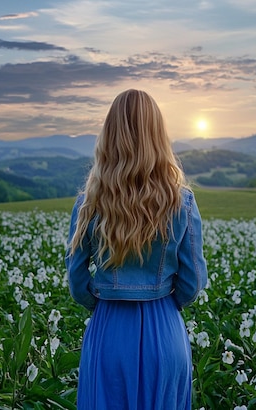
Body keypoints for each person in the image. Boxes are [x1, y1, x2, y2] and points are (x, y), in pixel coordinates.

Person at [65, 89, 208, 409]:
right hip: (165, 332)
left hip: (109, 331)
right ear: (159, 136)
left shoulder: (88, 202)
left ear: (109, 136)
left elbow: (76, 278)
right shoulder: (181, 202)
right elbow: (194, 281)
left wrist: (101, 300)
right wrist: (165, 301)